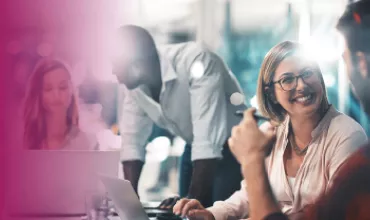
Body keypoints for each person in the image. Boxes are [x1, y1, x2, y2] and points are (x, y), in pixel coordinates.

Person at [196, 1, 370, 219]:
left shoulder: (347, 135)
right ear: (271, 94)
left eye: (308, 73)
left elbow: (332, 211)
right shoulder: (272, 132)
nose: (301, 85)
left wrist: (252, 160)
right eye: (288, 79)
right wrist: (210, 214)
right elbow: (248, 196)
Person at [112, 25, 245, 207]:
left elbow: (207, 143)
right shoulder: (135, 86)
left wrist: (190, 204)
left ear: (138, 63)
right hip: (194, 148)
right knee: (181, 210)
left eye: (116, 64)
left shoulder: (197, 61)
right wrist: (129, 206)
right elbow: (132, 143)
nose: (113, 71)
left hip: (235, 149)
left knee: (216, 214)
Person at [23, 58, 97, 150]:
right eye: (48, 89)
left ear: (71, 92)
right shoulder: (23, 142)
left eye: (63, 87)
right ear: (38, 95)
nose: (56, 96)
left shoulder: (87, 144)